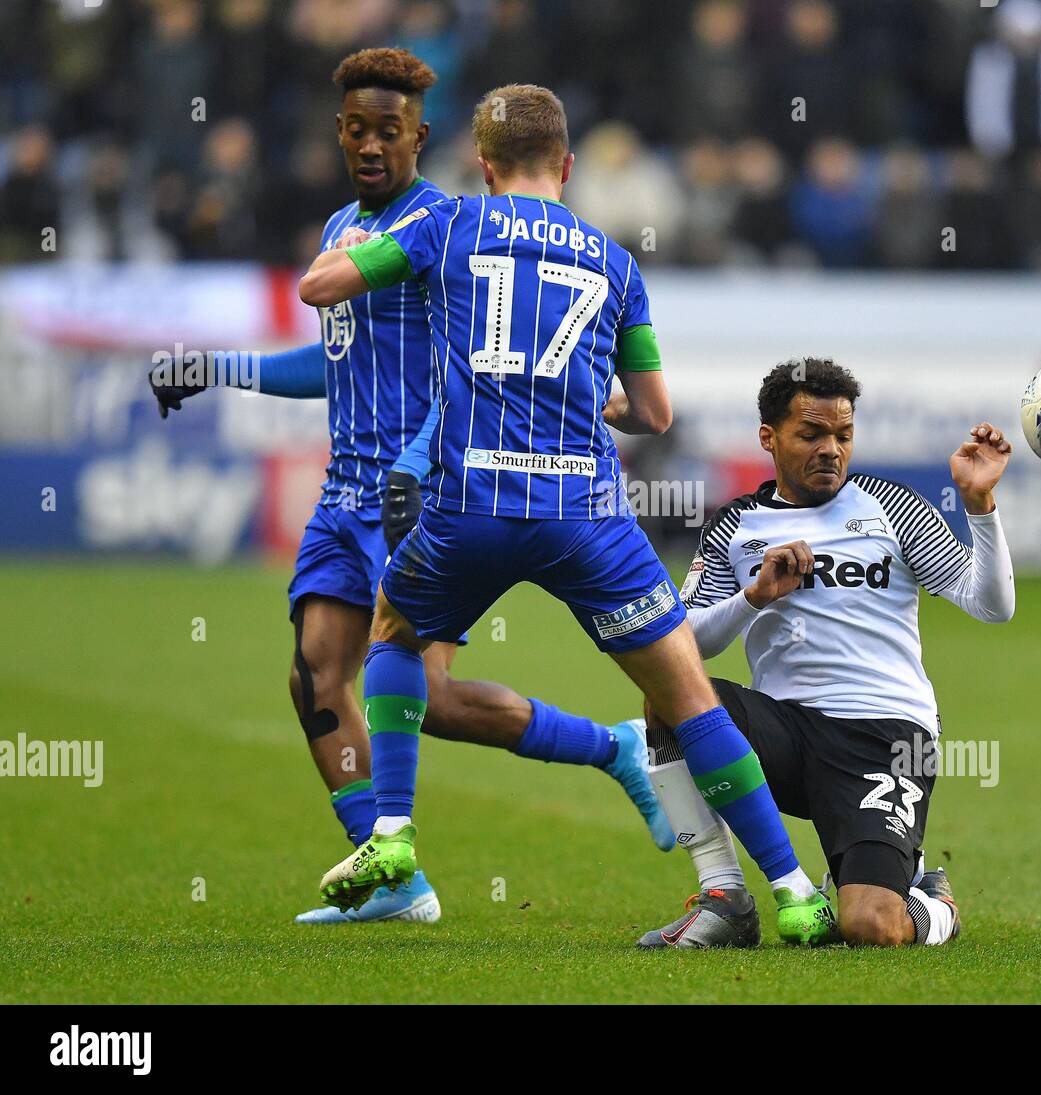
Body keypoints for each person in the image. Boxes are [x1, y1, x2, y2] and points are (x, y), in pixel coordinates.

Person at [299, 83, 837, 944]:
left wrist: (367, 243)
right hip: (585, 513)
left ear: (482, 164)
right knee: (689, 696)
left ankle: (393, 837)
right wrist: (593, 397)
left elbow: (320, 287)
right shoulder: (614, 262)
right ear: (569, 165)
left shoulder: (448, 225)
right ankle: (796, 889)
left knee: (394, 629)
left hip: (471, 505)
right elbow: (655, 413)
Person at [149, 50, 671, 925]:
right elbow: (336, 358)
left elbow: (477, 361)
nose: (369, 145)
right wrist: (215, 365)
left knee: (426, 698)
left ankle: (612, 747)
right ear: (341, 133)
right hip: (345, 487)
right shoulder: (340, 227)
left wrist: (421, 463)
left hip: (423, 490)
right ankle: (391, 877)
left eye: (388, 131)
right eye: (355, 129)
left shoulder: (449, 228)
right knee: (315, 676)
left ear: (419, 138)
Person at [637, 358, 1015, 948]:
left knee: (869, 926)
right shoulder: (736, 526)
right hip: (784, 733)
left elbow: (991, 605)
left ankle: (932, 902)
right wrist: (754, 597)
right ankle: (725, 899)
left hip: (887, 737)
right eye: (811, 434)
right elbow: (688, 645)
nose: (830, 450)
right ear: (770, 438)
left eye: (842, 435)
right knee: (667, 690)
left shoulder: (890, 508)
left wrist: (980, 506)